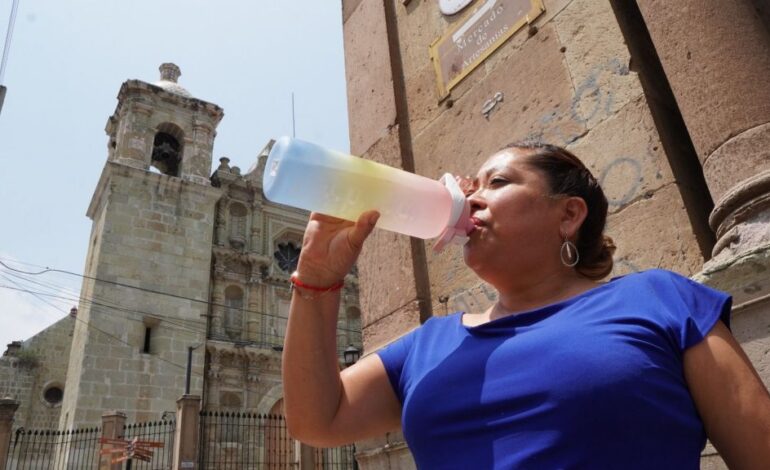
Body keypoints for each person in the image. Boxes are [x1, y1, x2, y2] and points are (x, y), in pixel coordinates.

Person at [282, 142, 770, 469]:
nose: (471, 200)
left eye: (496, 183)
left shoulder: (660, 299)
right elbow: (317, 420)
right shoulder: (428, 344)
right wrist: (318, 278)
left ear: (568, 213)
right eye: (471, 189)